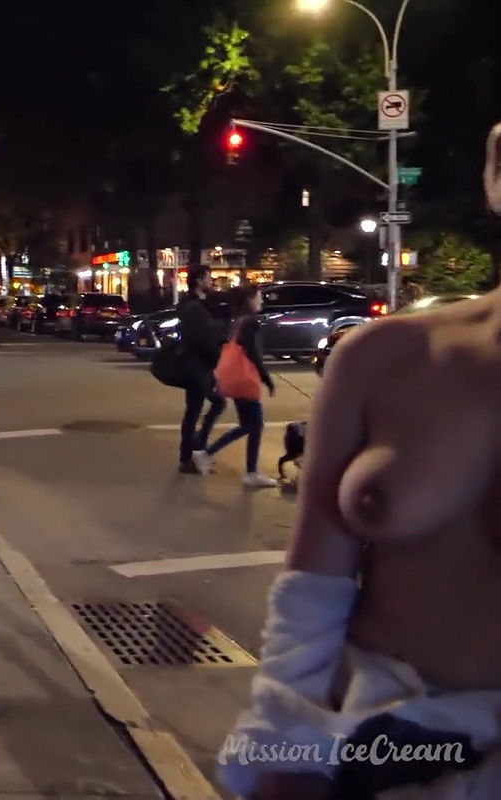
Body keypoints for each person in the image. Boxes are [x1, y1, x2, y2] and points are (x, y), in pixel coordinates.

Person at [220, 123, 501, 800]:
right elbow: (310, 598)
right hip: (362, 754)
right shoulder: (380, 357)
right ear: (495, 174)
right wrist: (282, 760)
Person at [192, 285, 279, 488]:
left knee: (249, 424)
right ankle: (245, 470)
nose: (262, 301)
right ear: (250, 300)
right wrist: (267, 378)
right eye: (259, 297)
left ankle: (214, 456)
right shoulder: (251, 322)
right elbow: (253, 353)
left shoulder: (238, 321)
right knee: (254, 425)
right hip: (245, 380)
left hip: (235, 379)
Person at [175, 265, 226, 474]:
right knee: (200, 409)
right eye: (207, 278)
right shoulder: (193, 307)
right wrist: (216, 356)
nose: (210, 281)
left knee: (200, 409)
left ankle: (193, 452)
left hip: (199, 366)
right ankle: (192, 455)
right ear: (198, 281)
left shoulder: (199, 304)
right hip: (197, 367)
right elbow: (201, 338)